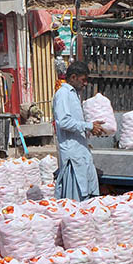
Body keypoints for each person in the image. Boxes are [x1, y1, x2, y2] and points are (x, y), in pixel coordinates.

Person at [52, 62, 106, 201]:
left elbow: (75, 123)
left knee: (88, 192)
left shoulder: (74, 95)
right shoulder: (63, 94)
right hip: (72, 154)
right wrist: (88, 126)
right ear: (73, 77)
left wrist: (91, 129)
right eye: (83, 80)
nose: (86, 83)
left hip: (81, 151)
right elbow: (63, 122)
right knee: (74, 198)